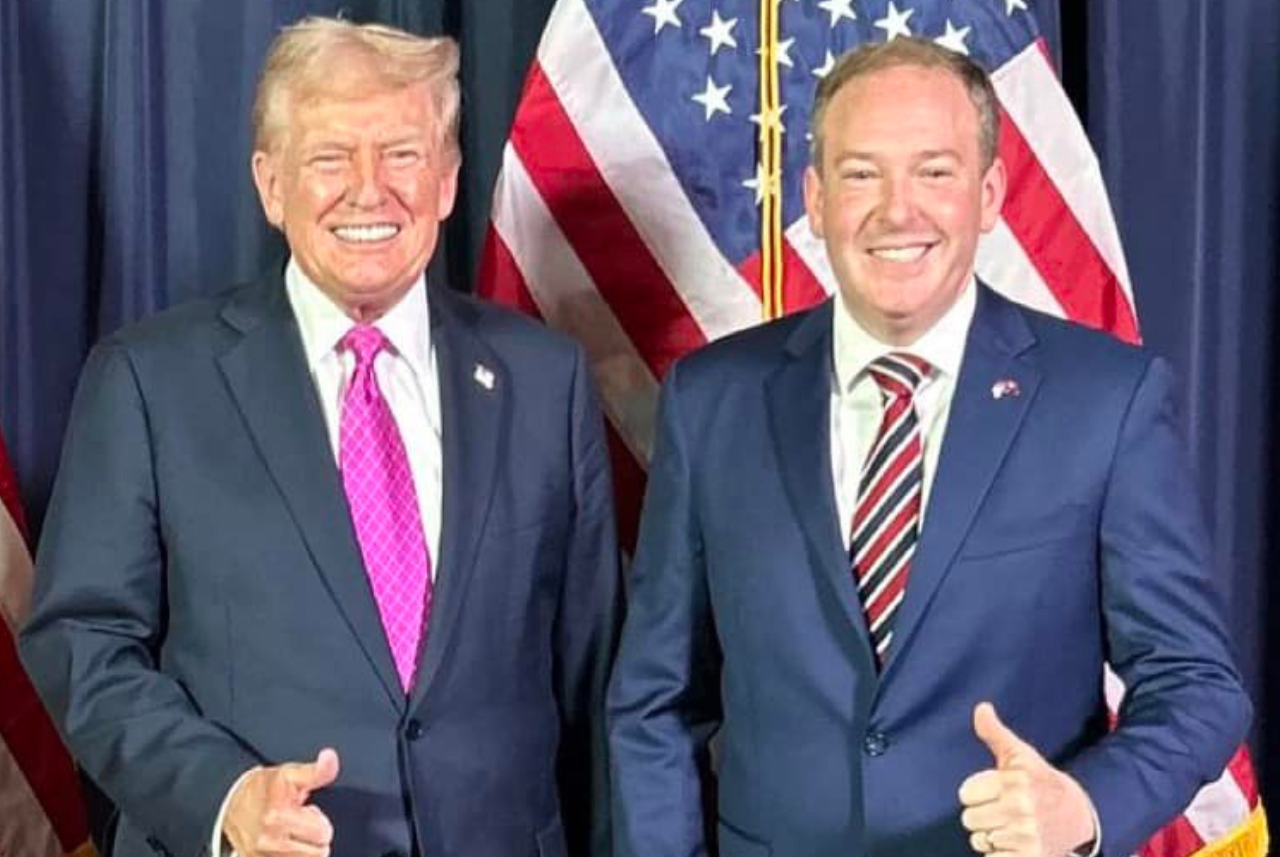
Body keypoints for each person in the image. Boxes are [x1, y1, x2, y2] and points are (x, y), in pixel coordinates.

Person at [606, 37, 1250, 857]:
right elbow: (656, 700)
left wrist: (1084, 806)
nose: (896, 210)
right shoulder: (712, 400)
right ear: (815, 196)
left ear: (988, 195)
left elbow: (1198, 684)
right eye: (861, 174)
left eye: (934, 172)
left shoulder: (1105, 401)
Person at [20, 16, 620, 857]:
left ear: (447, 180)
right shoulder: (150, 381)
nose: (369, 190)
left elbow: (594, 672)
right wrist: (222, 795)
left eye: (402, 154)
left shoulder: (544, 379)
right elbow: (81, 638)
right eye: (330, 158)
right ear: (271, 186)